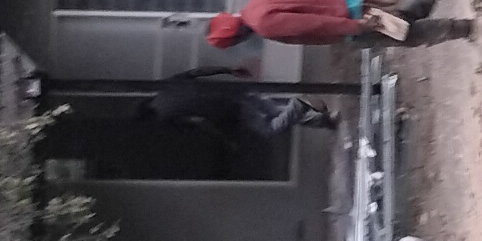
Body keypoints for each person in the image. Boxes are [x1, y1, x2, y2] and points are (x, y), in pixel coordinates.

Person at [202, 0, 472, 52]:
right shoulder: (257, 2)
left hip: (349, 22)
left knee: (407, 33)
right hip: (347, 6)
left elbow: (313, 25)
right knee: (406, 20)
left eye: (235, 42)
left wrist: (357, 28)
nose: (241, 43)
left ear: (235, 35)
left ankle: (467, 27)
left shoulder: (264, 25)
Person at [141, 69, 341, 150]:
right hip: (232, 90)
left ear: (148, 119)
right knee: (276, 113)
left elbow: (199, 123)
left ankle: (298, 103)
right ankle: (326, 120)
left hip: (231, 109)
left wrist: (225, 138)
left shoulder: (165, 116)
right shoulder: (167, 86)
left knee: (268, 129)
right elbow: (199, 71)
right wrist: (229, 70)